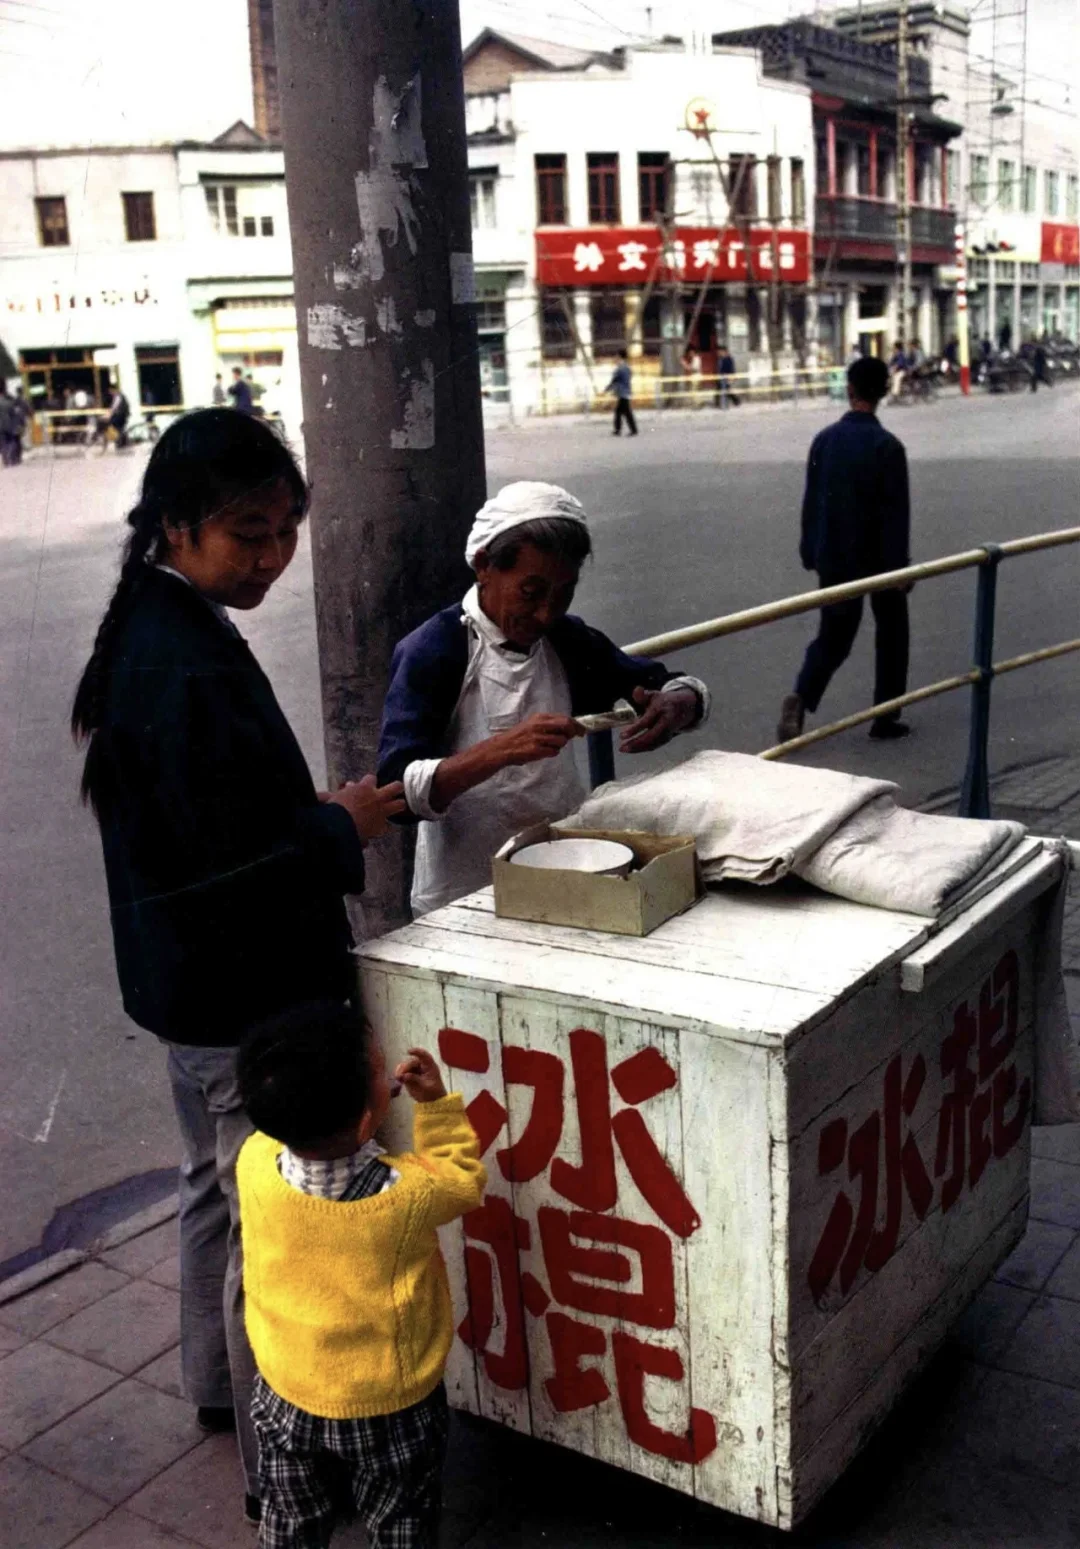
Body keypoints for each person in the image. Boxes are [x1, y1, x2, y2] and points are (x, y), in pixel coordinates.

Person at [70, 409, 406, 1527]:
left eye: (285, 530)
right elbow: (227, 865)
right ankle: (280, 1467)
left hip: (184, 987)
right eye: (248, 535)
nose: (271, 557)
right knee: (265, 1230)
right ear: (178, 526)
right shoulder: (177, 659)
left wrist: (308, 816)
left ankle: (213, 1388)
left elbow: (200, 828)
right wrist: (339, 825)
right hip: (236, 995)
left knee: (209, 1191)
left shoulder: (157, 621)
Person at [378, 481, 711, 917]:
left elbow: (662, 682)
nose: (545, 613)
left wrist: (678, 702)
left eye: (563, 593)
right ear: (484, 566)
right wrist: (500, 750)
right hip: (464, 892)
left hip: (564, 869)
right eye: (531, 592)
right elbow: (395, 795)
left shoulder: (565, 640)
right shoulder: (435, 651)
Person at [237, 1003, 485, 1549]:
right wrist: (435, 1107)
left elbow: (288, 1121)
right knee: (401, 1520)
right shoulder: (406, 1195)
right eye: (377, 1068)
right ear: (368, 1119)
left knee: (291, 1518)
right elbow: (463, 1179)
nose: (386, 1069)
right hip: (390, 1405)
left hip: (287, 1388)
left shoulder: (253, 1160)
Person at [777, 355, 912, 745]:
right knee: (892, 635)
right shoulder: (888, 446)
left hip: (834, 556)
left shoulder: (824, 440)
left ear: (849, 390)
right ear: (883, 392)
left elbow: (811, 502)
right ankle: (885, 717)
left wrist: (810, 550)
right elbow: (896, 515)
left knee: (834, 635)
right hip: (880, 561)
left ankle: (801, 696)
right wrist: (900, 568)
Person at [605, 350, 637, 436]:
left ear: (619, 356)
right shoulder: (626, 367)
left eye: (616, 356)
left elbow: (615, 380)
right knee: (621, 412)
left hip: (622, 392)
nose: (615, 358)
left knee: (624, 412)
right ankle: (620, 429)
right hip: (625, 392)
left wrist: (608, 388)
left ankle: (626, 430)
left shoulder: (621, 368)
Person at [0, 386, 19, 467]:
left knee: (3, 444)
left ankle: (6, 461)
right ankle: (11, 457)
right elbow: (14, 415)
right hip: (9, 425)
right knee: (12, 441)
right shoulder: (9, 403)